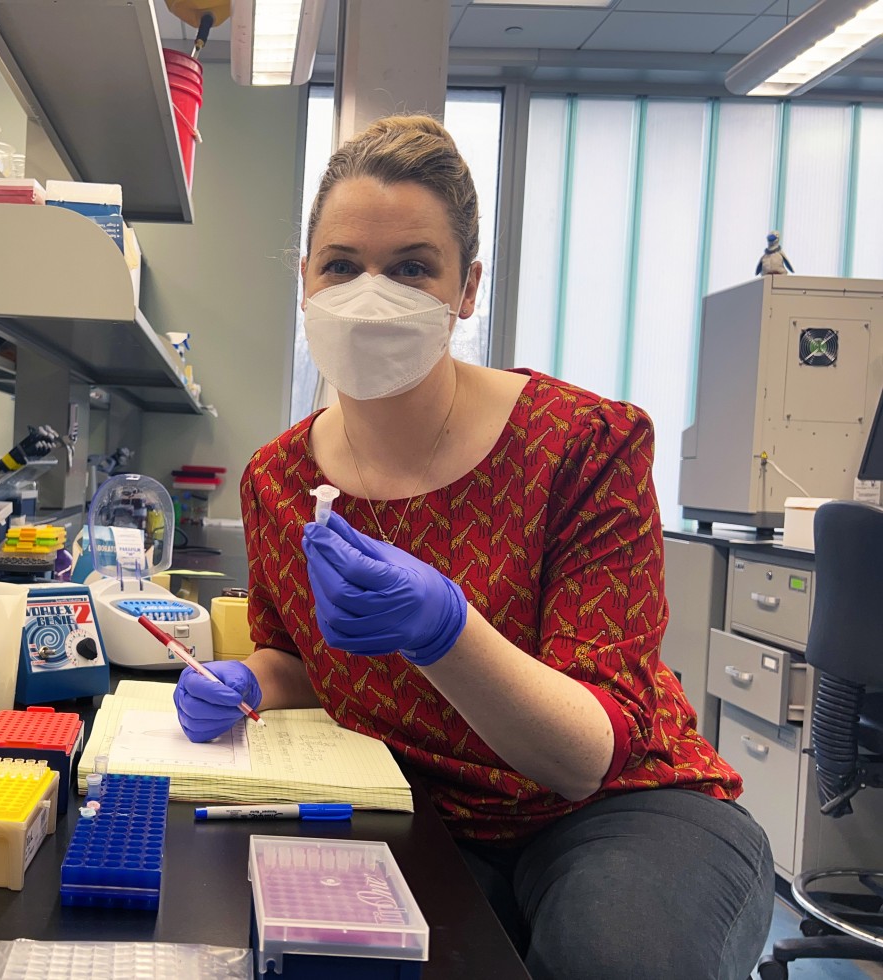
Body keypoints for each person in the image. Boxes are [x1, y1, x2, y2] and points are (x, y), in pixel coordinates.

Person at [174, 114, 774, 980]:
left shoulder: (582, 444)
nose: (369, 294)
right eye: (340, 266)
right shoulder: (278, 478)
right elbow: (294, 656)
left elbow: (585, 755)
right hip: (418, 804)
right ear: (302, 280)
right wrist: (244, 683)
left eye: (413, 268)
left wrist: (445, 633)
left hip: (619, 804)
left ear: (467, 289)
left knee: (614, 960)